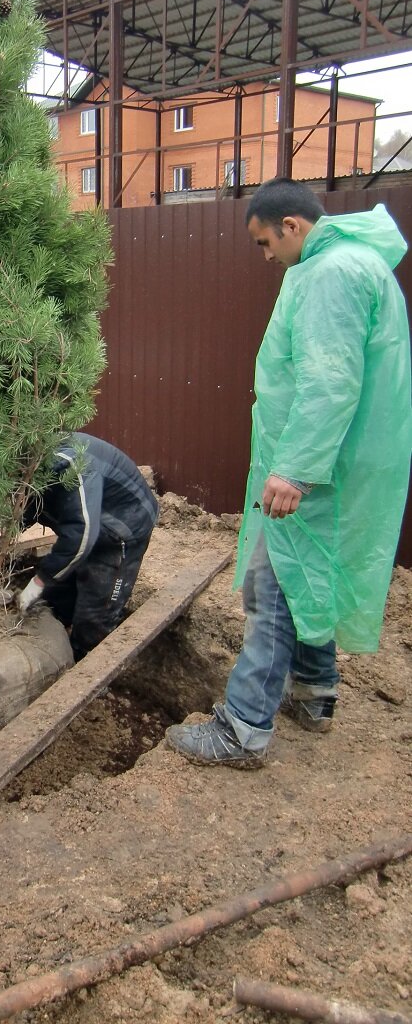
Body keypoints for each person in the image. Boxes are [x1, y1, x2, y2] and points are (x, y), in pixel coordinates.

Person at [167, 179, 412, 770]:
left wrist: (296, 472)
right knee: (308, 578)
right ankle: (315, 694)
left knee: (273, 593)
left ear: (292, 226)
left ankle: (243, 730)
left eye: (263, 243)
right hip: (332, 462)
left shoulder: (332, 274)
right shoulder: (345, 262)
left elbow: (329, 382)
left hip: (316, 467)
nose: (266, 256)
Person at [17, 432, 158, 661]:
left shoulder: (71, 465)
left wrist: (39, 580)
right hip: (87, 525)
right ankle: (58, 643)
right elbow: (31, 501)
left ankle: (82, 664)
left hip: (121, 530)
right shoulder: (26, 462)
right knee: (55, 600)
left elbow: (82, 534)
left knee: (94, 619)